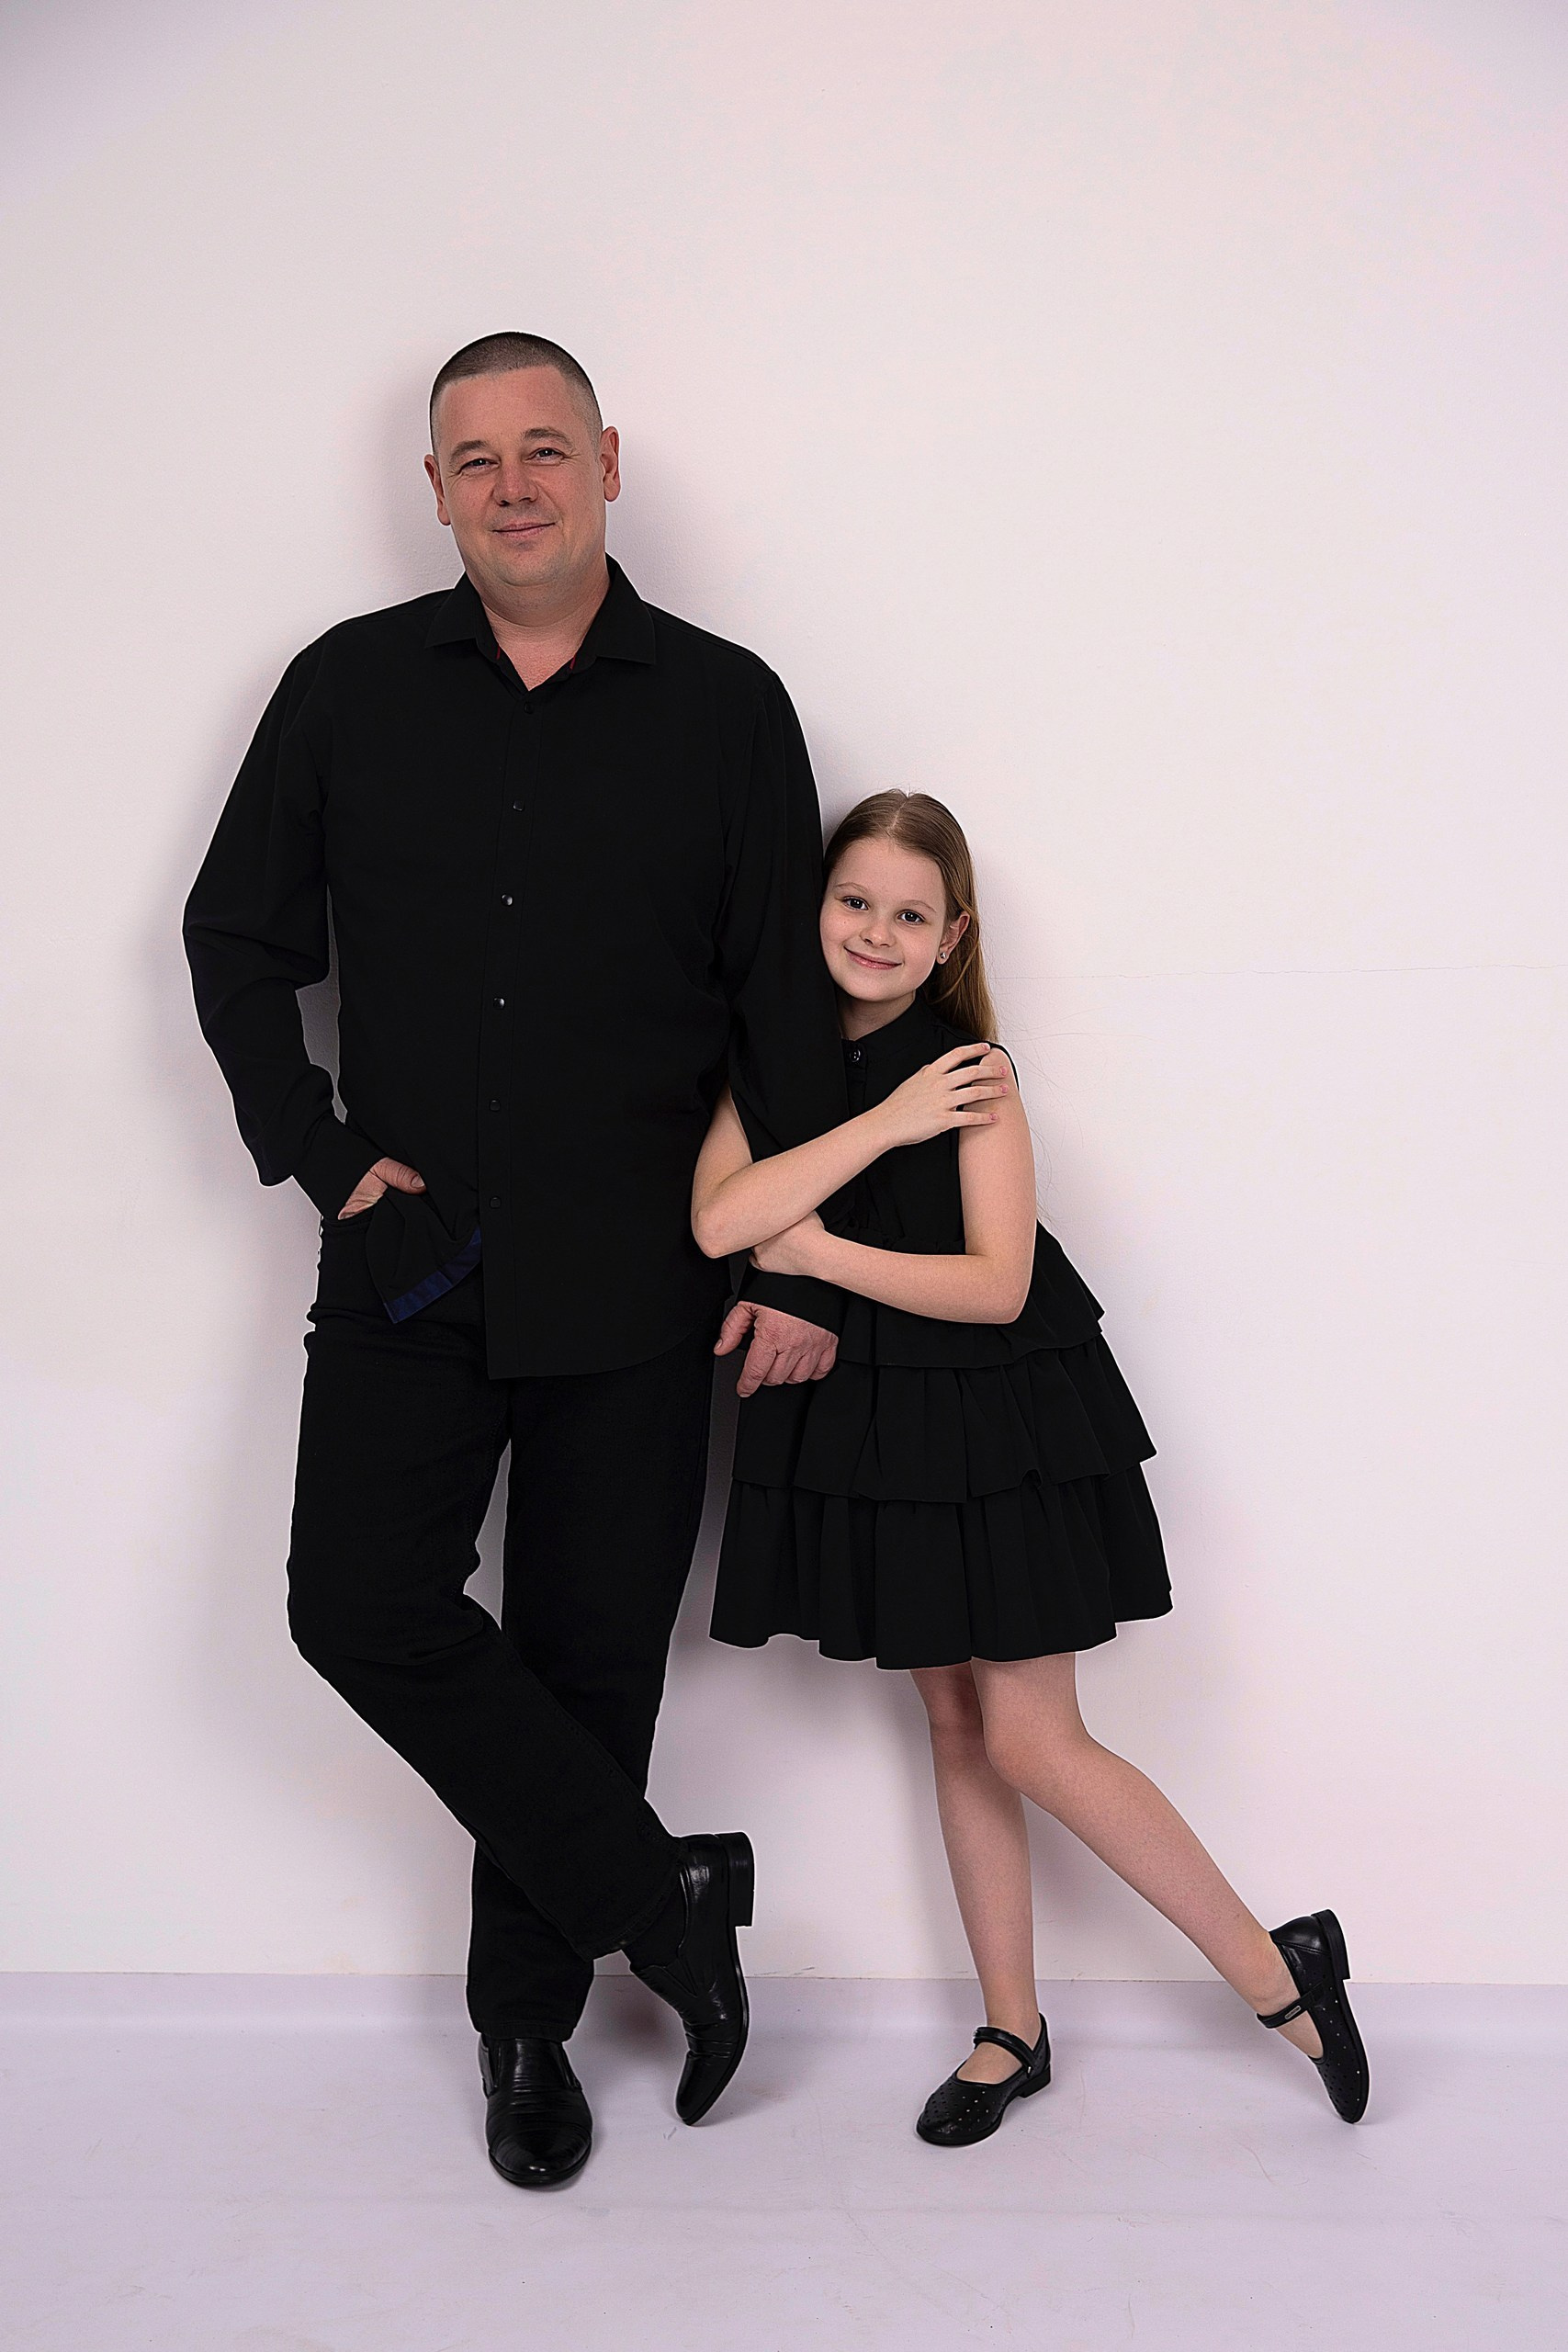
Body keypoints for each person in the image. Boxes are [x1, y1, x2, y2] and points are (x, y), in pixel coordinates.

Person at [183, 333, 851, 2189]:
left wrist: (797, 1268)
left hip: (643, 1273)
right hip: (408, 1256)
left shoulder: (726, 707)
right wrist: (323, 1157)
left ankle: (526, 2032)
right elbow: (235, 939)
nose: (514, 485)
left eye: (545, 448)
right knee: (355, 1604)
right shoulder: (344, 686)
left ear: (607, 463)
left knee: (589, 1663)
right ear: (434, 489)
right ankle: (662, 1897)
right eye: (475, 458)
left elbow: (780, 1008)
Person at [694, 789, 1369, 2144]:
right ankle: (1012, 2027)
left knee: (1029, 1736)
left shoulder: (973, 1073)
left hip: (994, 1422)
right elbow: (719, 1219)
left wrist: (813, 1250)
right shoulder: (775, 1060)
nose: (876, 932)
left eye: (910, 914)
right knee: (954, 1727)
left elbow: (995, 1285)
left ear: (952, 938)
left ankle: (1278, 1971)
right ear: (816, 905)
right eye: (854, 901)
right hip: (878, 1431)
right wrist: (877, 1130)